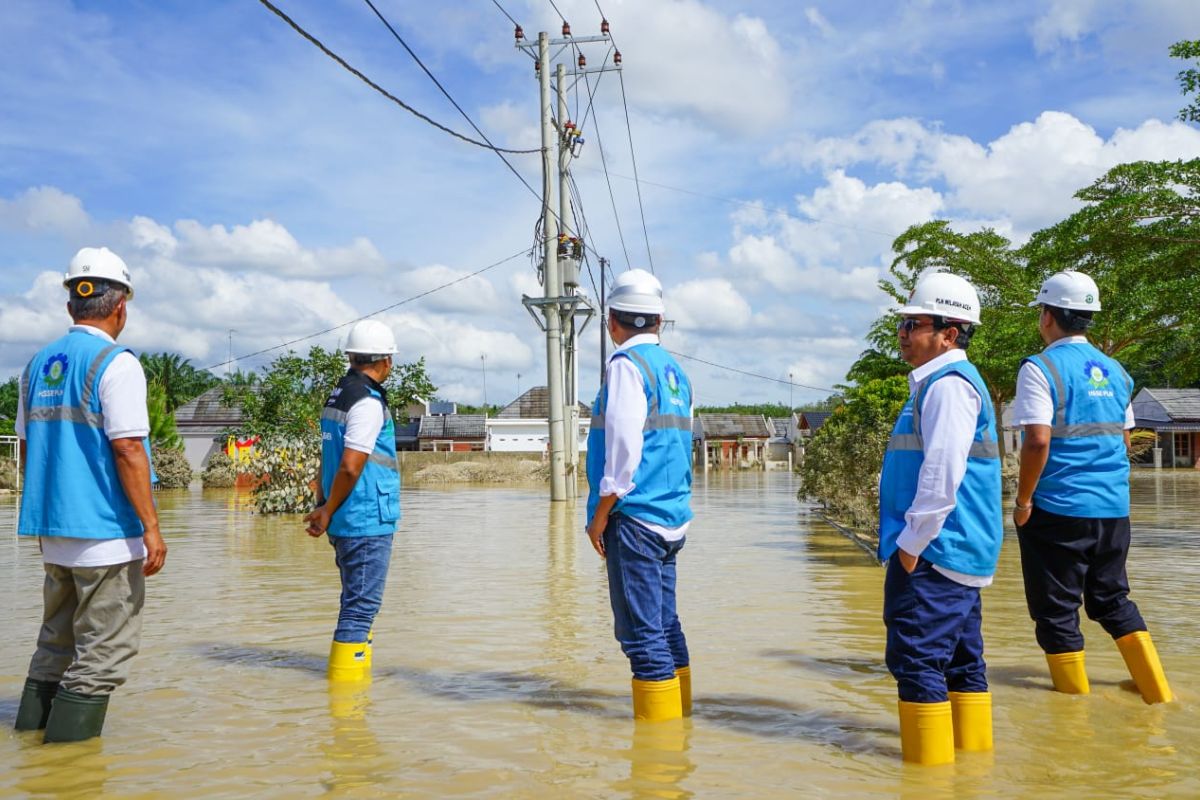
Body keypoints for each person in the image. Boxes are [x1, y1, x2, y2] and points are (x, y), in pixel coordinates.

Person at [14, 246, 167, 743]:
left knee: (54, 645)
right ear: (121, 306)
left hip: (52, 534)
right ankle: (66, 769)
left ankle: (28, 755)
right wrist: (152, 527)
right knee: (101, 657)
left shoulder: (35, 365)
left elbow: (24, 445)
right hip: (104, 535)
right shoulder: (117, 363)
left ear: (70, 306)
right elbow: (128, 449)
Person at [1012, 271, 1171, 703]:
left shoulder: (1039, 367)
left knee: (1056, 610)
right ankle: (1158, 694)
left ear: (1047, 316)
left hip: (1059, 508)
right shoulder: (1117, 372)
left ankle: (1073, 713)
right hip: (1113, 509)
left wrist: (1024, 501)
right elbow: (1123, 440)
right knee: (1111, 599)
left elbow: (1037, 439)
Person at [878, 271, 1003, 765]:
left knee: (916, 659)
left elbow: (942, 472)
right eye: (903, 324)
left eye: (915, 324)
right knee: (961, 661)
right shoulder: (942, 383)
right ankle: (971, 768)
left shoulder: (949, 385)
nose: (903, 334)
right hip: (957, 549)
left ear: (949, 333)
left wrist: (911, 547)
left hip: (935, 550)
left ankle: (928, 779)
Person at [585, 269, 695, 722]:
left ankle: (659, 759)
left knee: (641, 636)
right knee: (666, 626)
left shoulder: (626, 367)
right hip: (672, 516)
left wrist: (601, 515)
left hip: (636, 519)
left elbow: (623, 453)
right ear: (659, 321)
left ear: (612, 322)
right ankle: (683, 722)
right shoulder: (675, 371)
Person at [304, 320, 401, 682]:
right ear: (386, 361)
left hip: (345, 516)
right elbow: (349, 464)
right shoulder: (367, 402)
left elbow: (327, 459)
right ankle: (345, 704)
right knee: (360, 610)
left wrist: (323, 505)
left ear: (352, 356)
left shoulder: (339, 394)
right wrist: (327, 509)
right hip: (364, 517)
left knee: (357, 605)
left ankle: (358, 682)